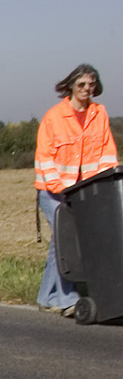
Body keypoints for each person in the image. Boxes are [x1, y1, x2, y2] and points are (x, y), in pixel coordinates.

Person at [33, 63, 117, 315]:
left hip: (85, 190)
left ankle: (47, 297)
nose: (86, 89)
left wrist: (106, 184)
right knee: (65, 240)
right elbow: (45, 157)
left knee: (59, 244)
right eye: (81, 84)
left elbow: (106, 151)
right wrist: (60, 188)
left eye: (91, 85)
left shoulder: (98, 114)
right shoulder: (54, 117)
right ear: (71, 86)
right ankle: (67, 299)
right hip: (53, 190)